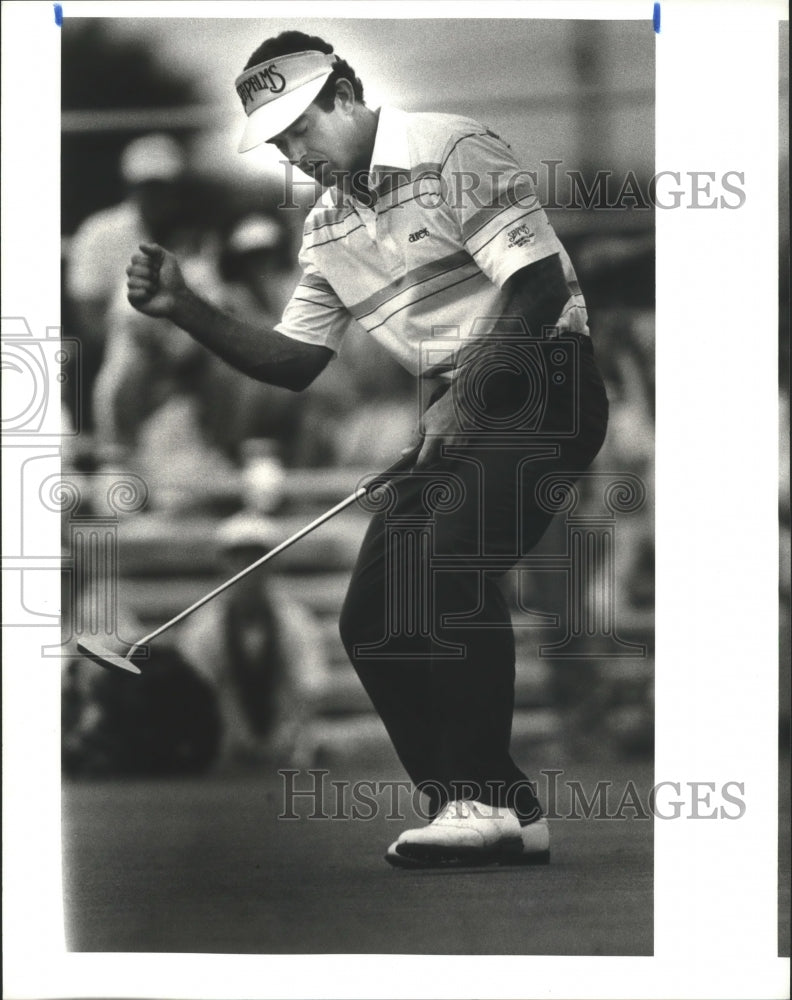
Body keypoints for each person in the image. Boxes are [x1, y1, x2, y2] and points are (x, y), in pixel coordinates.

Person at [125, 30, 609, 868]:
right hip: (459, 409)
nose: (294, 150)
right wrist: (187, 309)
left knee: (450, 563)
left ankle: (477, 802)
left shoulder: (449, 146)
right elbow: (294, 362)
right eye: (278, 140)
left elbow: (535, 289)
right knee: (374, 616)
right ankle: (500, 804)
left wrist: (463, 395)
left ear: (346, 92)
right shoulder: (327, 227)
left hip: (543, 382)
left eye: (303, 125)